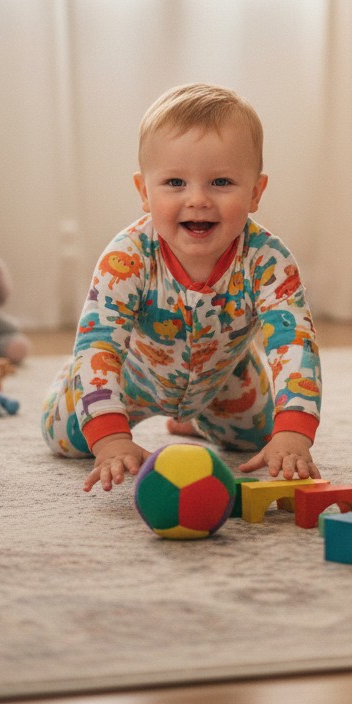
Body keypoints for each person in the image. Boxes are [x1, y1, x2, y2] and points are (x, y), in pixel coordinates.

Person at [41, 83, 322, 493]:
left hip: (225, 377)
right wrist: (111, 438)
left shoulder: (268, 260)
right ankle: (71, 380)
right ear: (144, 192)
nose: (198, 199)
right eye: (174, 183)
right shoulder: (128, 258)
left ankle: (192, 418)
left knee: (263, 438)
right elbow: (100, 343)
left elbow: (293, 341)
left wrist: (295, 432)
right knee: (65, 438)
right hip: (132, 376)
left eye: (222, 182)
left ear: (256, 192)